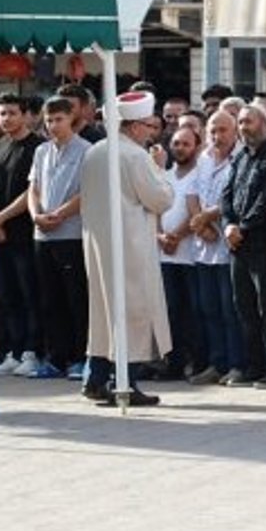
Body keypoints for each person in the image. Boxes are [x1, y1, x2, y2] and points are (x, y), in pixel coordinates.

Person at [80, 91, 173, 407]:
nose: (151, 132)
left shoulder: (94, 151)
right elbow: (160, 199)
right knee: (132, 312)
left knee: (103, 313)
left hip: (97, 243)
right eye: (148, 126)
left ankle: (95, 377)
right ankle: (125, 382)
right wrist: (159, 168)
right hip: (129, 244)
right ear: (134, 127)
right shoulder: (134, 156)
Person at [221, 104, 266, 387]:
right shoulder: (240, 157)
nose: (244, 127)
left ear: (265, 124)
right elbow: (227, 195)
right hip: (238, 246)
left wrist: (243, 227)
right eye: (240, 122)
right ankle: (254, 365)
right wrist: (228, 224)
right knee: (245, 308)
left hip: (262, 244)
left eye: (249, 122)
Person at [26, 97, 90, 380]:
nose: (53, 125)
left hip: (71, 234)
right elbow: (33, 188)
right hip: (43, 235)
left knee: (74, 298)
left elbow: (87, 191)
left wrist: (60, 214)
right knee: (49, 299)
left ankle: (79, 357)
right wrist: (35, 214)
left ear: (71, 119)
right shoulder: (41, 151)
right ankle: (55, 357)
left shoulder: (87, 150)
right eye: (49, 120)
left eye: (59, 119)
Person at [0, 93, 45, 377]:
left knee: (29, 292)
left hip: (23, 232)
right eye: (1, 113)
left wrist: (2, 218)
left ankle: (32, 351)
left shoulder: (38, 148)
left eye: (11, 113)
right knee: (5, 295)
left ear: (25, 115)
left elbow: (31, 191)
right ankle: (12, 350)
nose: (5, 119)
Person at [188, 110, 244, 385]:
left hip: (228, 247)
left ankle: (236, 364)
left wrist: (208, 218)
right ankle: (216, 362)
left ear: (234, 132)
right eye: (212, 130)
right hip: (203, 246)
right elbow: (192, 194)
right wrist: (201, 224)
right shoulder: (204, 158)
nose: (217, 136)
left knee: (229, 309)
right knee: (208, 309)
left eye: (223, 130)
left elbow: (234, 197)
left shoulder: (241, 158)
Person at [156, 126, 204, 382]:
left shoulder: (199, 174)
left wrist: (177, 236)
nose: (180, 148)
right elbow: (153, 208)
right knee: (171, 311)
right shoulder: (165, 175)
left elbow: (195, 210)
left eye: (186, 144)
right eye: (176, 143)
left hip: (190, 255)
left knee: (194, 311)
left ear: (196, 146)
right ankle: (173, 363)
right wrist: (161, 236)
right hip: (165, 254)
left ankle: (197, 361)